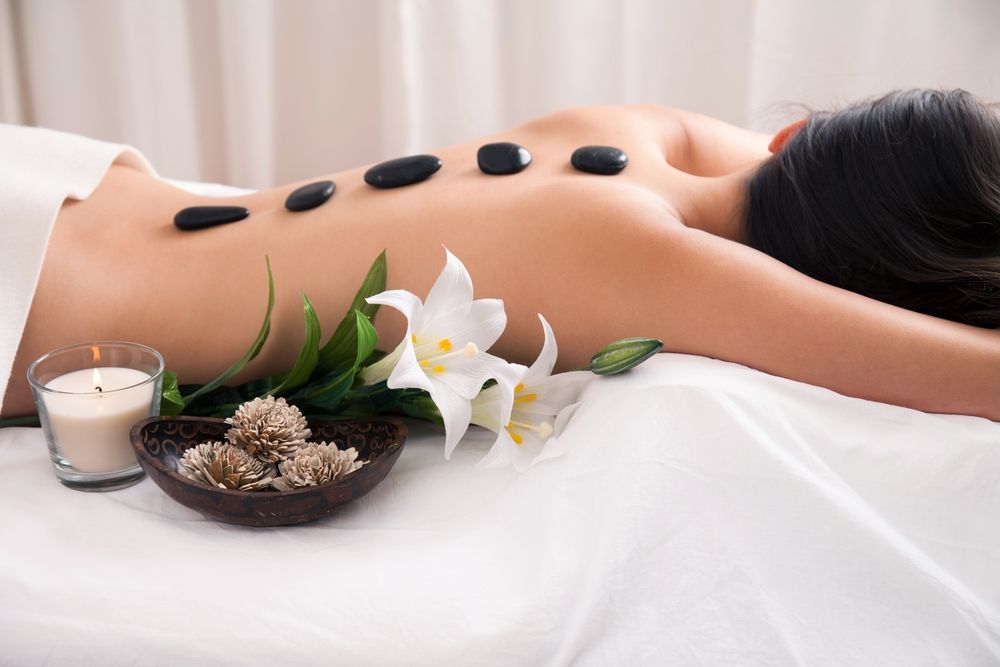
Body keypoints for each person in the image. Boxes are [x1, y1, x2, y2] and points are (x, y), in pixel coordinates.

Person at [3, 88, 999, 421]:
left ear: (794, 140)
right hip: (33, 297)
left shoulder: (645, 136)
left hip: (64, 189)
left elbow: (791, 172)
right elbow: (952, 369)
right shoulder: (654, 260)